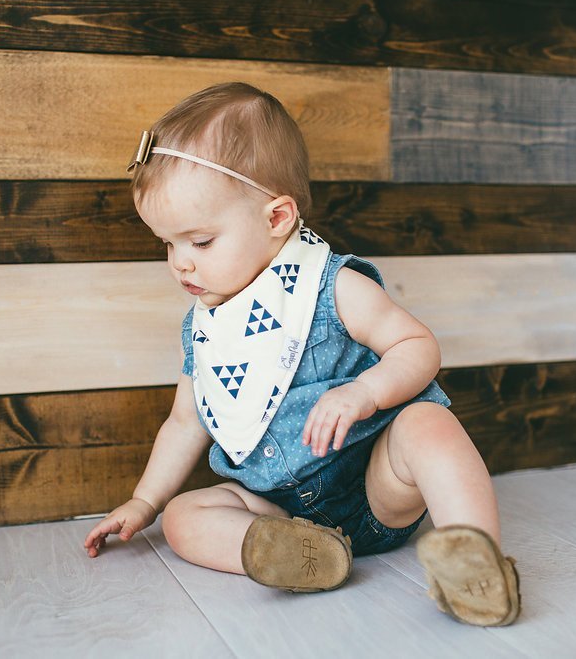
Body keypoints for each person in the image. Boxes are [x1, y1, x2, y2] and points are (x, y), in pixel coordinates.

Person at [82, 82, 520, 626]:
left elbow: (418, 347)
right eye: (167, 245)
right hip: (278, 511)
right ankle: (297, 556)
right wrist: (142, 503)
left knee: (428, 425)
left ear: (276, 218)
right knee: (183, 517)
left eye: (200, 241)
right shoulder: (204, 330)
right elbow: (183, 422)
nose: (181, 264)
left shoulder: (332, 287)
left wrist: (364, 392)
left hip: (373, 487)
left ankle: (475, 564)